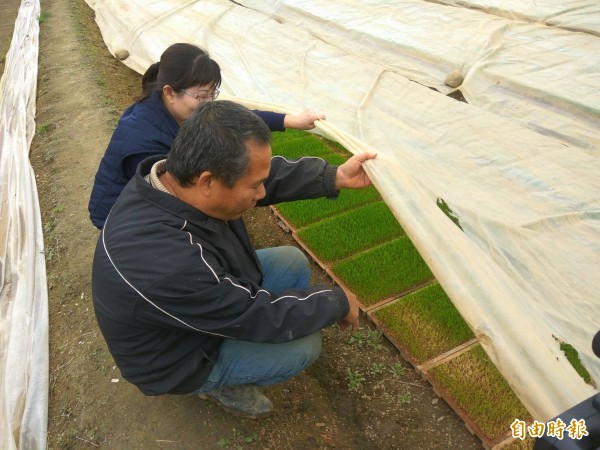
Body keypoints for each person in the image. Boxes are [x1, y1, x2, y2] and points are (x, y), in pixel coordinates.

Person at [92, 100, 377, 418]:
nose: (260, 194)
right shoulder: (167, 264)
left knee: (291, 261)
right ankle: (213, 384)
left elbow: (260, 178)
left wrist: (333, 176)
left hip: (194, 304)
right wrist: (335, 302)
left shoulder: (173, 177)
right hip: (176, 357)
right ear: (207, 182)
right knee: (302, 348)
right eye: (253, 187)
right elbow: (250, 314)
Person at [88, 42, 324, 229]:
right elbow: (176, 198)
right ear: (170, 92)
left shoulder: (174, 110)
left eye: (212, 93)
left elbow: (231, 123)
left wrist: (290, 120)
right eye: (202, 95)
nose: (208, 102)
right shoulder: (145, 142)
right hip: (117, 216)